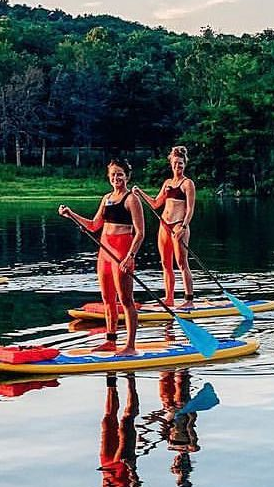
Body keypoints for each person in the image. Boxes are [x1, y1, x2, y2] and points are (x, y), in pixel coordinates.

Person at [59, 158, 144, 353]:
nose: (116, 178)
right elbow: (93, 225)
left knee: (126, 299)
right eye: (113, 174)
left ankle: (130, 346)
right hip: (104, 252)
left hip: (122, 252)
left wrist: (130, 256)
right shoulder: (106, 198)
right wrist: (71, 214)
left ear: (127, 176)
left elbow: (140, 233)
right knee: (107, 298)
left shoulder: (131, 199)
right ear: (109, 177)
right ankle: (111, 340)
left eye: (120, 174)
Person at [133, 145, 196, 308]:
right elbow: (155, 204)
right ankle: (169, 298)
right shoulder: (167, 183)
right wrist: (140, 193)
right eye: (175, 163)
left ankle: (189, 301)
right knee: (165, 263)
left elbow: (190, 209)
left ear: (185, 164)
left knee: (182, 264)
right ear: (171, 164)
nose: (178, 166)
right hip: (164, 226)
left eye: (180, 163)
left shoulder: (187, 184)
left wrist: (183, 226)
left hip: (178, 226)